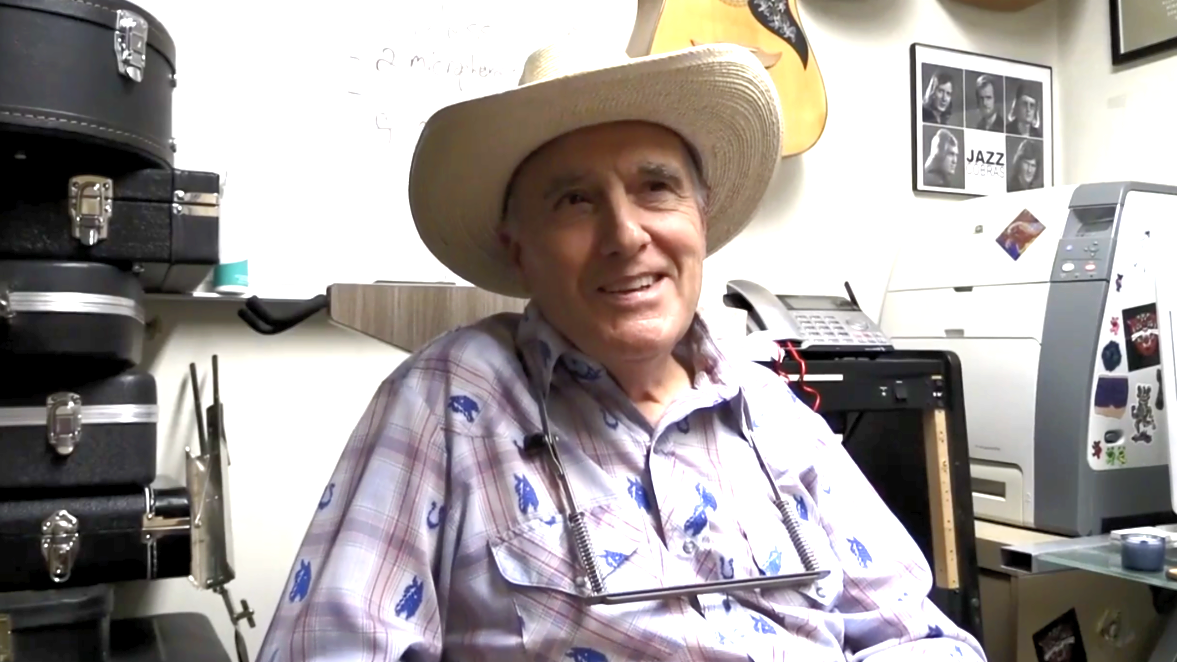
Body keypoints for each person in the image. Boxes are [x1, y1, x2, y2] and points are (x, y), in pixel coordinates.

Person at [258, 42, 987, 662]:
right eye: (574, 201)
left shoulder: (772, 413)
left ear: (700, 218)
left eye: (656, 188)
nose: (625, 235)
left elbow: (927, 639)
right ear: (519, 249)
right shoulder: (449, 400)